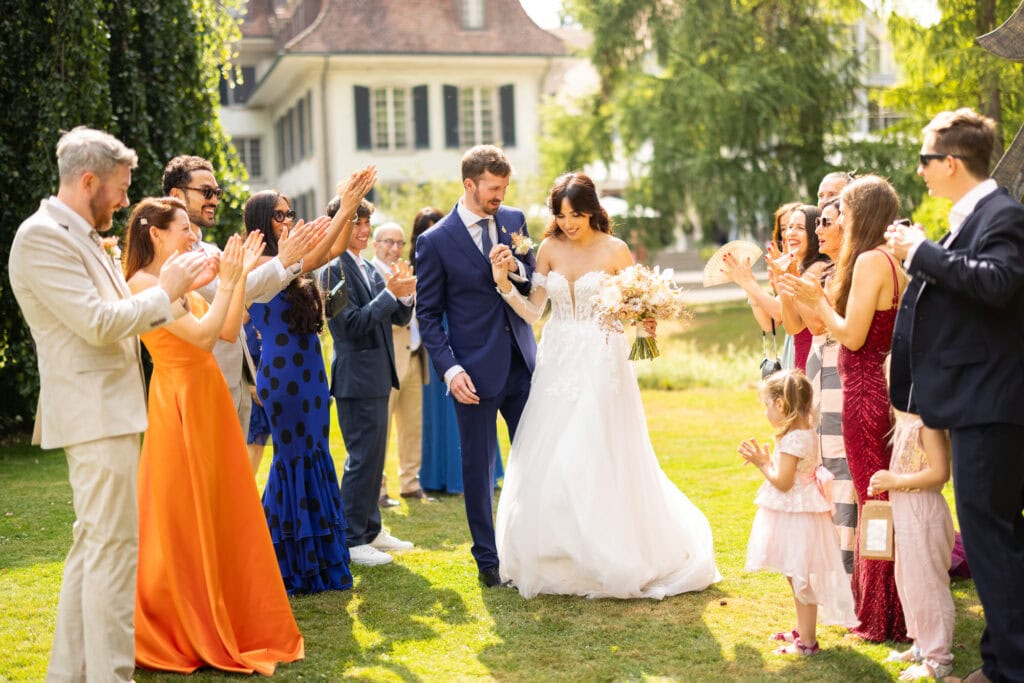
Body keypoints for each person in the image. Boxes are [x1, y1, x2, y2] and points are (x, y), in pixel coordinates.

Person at [8, 127, 206, 682]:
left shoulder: (83, 235)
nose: (125, 201)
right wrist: (165, 290)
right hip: (92, 412)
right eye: (119, 189)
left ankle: (67, 675)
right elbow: (97, 325)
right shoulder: (41, 237)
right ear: (88, 180)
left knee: (93, 548)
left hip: (110, 410)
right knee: (115, 555)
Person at [492, 172, 719, 598]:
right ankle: (560, 555)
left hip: (603, 359)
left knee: (594, 450)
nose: (568, 224)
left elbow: (639, 307)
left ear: (592, 210)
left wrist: (645, 326)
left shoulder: (616, 250)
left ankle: (607, 552)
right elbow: (532, 312)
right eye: (561, 216)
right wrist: (505, 284)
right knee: (554, 455)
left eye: (575, 214)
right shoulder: (549, 248)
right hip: (558, 361)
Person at [125, 197, 304, 675]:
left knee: (219, 505)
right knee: (184, 512)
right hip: (178, 401)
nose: (191, 235)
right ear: (155, 233)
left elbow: (225, 330)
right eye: (183, 227)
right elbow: (201, 337)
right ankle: (183, 621)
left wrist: (238, 274)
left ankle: (224, 606)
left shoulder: (183, 284)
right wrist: (227, 279)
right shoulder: (142, 284)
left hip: (207, 399)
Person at [886, 107, 1024, 682]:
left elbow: (998, 282)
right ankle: (1001, 663)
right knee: (996, 540)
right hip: (973, 400)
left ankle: (1009, 670)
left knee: (992, 540)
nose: (919, 171)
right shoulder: (968, 218)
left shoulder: (1003, 214)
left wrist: (921, 255)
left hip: (992, 403)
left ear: (950, 162)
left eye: (924, 160)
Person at [779, 174, 908, 643]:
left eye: (845, 212)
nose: (837, 220)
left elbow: (850, 335)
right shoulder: (888, 259)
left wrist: (817, 300)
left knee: (873, 501)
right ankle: (882, 606)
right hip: (874, 388)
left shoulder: (872, 260)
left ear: (862, 214)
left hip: (862, 393)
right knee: (879, 500)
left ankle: (879, 614)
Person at [246, 167, 376, 593]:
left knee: (316, 455)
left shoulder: (291, 262)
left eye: (290, 212)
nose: (287, 219)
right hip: (284, 376)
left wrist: (350, 204)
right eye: (280, 215)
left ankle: (318, 554)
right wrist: (345, 206)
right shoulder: (265, 265)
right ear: (262, 223)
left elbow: (332, 247)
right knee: (294, 460)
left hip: (309, 372)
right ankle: (287, 558)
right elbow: (324, 248)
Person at [416, 145, 537, 588]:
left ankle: (536, 547)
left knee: (537, 459)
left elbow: (531, 271)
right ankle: (488, 561)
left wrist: (516, 269)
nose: (500, 196)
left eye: (504, 188)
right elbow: (427, 315)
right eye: (493, 189)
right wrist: (450, 370)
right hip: (473, 375)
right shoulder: (435, 241)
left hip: (523, 365)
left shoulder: (514, 220)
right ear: (469, 184)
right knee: (479, 469)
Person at [162, 155, 323, 438]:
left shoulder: (212, 250)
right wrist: (282, 262)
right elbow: (227, 292)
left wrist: (286, 265)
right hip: (205, 382)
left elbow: (254, 294)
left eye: (217, 193)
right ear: (176, 195)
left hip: (235, 378)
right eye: (206, 192)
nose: (214, 200)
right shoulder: (175, 253)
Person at [322, 201, 417, 566]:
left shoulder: (366, 266)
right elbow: (350, 326)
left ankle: (371, 528)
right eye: (355, 222)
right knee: (361, 460)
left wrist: (404, 293)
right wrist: (390, 294)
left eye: (366, 223)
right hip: (355, 380)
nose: (363, 229)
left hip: (377, 377)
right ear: (337, 225)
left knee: (375, 460)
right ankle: (350, 538)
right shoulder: (331, 271)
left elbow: (398, 314)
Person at [739, 369, 857, 656]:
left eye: (767, 404)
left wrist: (761, 464)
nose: (766, 410)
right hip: (801, 512)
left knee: (800, 578)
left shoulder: (793, 440)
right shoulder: (804, 432)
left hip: (797, 517)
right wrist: (771, 460)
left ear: (780, 405)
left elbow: (782, 482)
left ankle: (807, 643)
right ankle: (803, 631)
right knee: (797, 576)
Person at [779, 198, 857, 574]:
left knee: (838, 463)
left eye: (822, 222)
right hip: (818, 366)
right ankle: (830, 555)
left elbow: (816, 324)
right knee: (823, 460)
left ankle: (845, 559)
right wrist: (786, 281)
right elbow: (795, 327)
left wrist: (793, 278)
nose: (815, 230)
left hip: (836, 367)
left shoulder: (834, 269)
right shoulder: (823, 271)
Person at [411, 207, 505, 494]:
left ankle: (477, 474)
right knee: (438, 412)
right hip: (437, 343)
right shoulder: (423, 256)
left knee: (468, 408)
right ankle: (436, 475)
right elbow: (425, 310)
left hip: (463, 331)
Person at [868, 412, 955, 681]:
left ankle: (939, 658)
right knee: (909, 581)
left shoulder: (927, 425)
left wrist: (895, 481)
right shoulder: (904, 423)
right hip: (905, 510)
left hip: (924, 512)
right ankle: (921, 643)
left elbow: (940, 473)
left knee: (929, 584)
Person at [370, 222, 435, 504]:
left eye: (399, 243)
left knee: (412, 427)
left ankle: (410, 483)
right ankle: (379, 488)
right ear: (376, 244)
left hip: (414, 357)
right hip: (386, 361)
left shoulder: (406, 272)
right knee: (380, 429)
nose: (395, 248)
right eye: (388, 242)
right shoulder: (370, 274)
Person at [723, 204, 828, 371]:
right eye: (788, 227)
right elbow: (769, 324)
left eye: (800, 228)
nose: (790, 232)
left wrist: (749, 283)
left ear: (815, 233)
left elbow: (778, 313)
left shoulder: (817, 268)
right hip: (800, 351)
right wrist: (748, 284)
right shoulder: (801, 268)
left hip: (813, 355)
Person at [243, 312, 272, 474]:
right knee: (254, 441)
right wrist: (254, 383)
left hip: (267, 379)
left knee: (260, 441)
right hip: (252, 383)